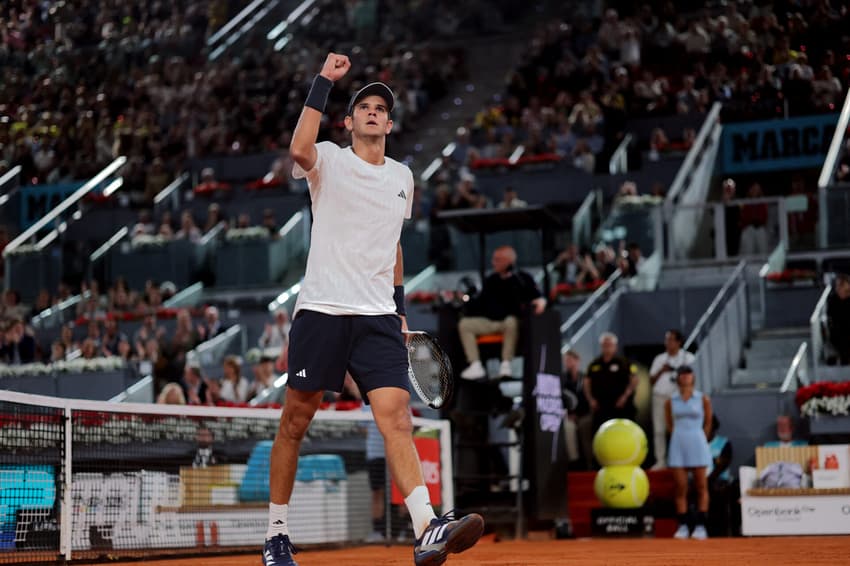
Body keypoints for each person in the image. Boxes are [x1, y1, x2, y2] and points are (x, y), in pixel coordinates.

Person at [263, 53, 484, 566]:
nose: (372, 112)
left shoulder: (403, 178)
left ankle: (426, 527)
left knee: (397, 419)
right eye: (363, 106)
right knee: (295, 421)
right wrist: (323, 81)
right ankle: (276, 534)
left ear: (389, 124)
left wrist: (399, 307)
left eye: (381, 108)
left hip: (378, 317)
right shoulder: (328, 160)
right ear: (348, 121)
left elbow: (393, 245)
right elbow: (297, 148)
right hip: (322, 310)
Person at [457, 246, 546, 380]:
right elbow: (479, 304)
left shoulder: (522, 279)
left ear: (508, 261)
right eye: (494, 259)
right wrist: (464, 300)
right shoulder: (491, 280)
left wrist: (541, 302)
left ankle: (506, 364)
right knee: (465, 324)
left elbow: (538, 297)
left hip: (511, 324)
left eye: (497, 260)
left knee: (511, 322)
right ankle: (475, 364)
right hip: (491, 322)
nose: (493, 263)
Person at [666, 366, 712, 540]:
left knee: (701, 486)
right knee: (681, 487)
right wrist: (680, 436)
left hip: (697, 443)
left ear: (693, 377)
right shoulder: (670, 401)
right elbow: (669, 424)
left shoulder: (703, 399)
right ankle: (683, 525)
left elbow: (708, 422)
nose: (685, 377)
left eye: (688, 374)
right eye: (682, 374)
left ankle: (701, 526)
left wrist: (700, 437)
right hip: (678, 444)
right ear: (678, 378)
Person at [648, 330, 695, 469]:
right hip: (659, 397)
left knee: (679, 430)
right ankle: (660, 461)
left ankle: (679, 460)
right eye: (666, 340)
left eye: (671, 340)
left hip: (678, 399)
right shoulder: (659, 358)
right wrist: (662, 370)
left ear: (679, 342)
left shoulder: (688, 358)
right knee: (659, 430)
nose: (668, 343)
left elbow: (691, 378)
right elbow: (651, 380)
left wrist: (674, 370)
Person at [585, 332, 638, 434]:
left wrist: (624, 396)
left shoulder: (624, 362)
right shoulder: (594, 364)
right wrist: (591, 399)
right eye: (604, 345)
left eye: (609, 345)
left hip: (621, 405)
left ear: (615, 346)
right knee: (599, 432)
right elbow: (587, 382)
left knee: (623, 432)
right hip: (601, 406)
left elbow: (634, 380)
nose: (607, 347)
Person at [561, 349, 592, 469]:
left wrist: (579, 415)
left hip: (584, 415)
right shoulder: (562, 379)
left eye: (570, 360)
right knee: (568, 428)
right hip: (568, 416)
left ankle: (590, 463)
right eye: (566, 360)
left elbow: (588, 399)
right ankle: (574, 463)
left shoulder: (585, 378)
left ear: (577, 361)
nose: (567, 363)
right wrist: (568, 414)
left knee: (585, 425)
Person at [826, 274, 850, 364]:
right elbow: (831, 317)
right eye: (838, 285)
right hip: (838, 332)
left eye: (842, 285)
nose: (839, 288)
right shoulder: (833, 299)